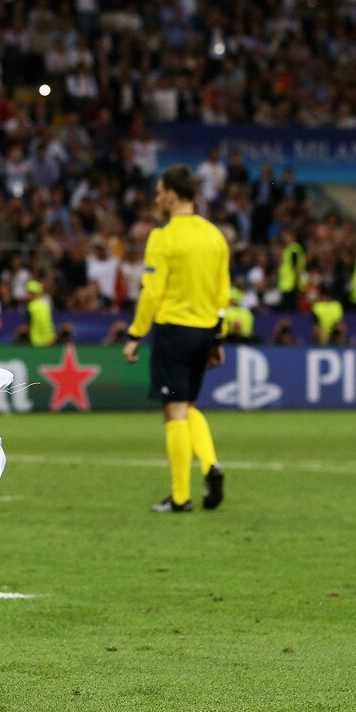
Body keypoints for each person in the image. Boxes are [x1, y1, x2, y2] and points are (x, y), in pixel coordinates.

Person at [123, 164, 229, 513]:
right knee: (189, 406)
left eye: (159, 191)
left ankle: (181, 498)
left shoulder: (163, 237)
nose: (157, 197)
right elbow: (222, 292)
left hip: (174, 331)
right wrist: (218, 338)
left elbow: (152, 291)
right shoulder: (215, 235)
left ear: (171, 194)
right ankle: (211, 464)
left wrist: (136, 334)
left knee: (174, 412)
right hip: (205, 331)